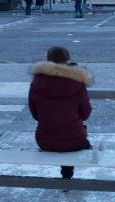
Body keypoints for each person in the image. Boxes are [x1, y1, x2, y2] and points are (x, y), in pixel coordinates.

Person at [28, 46, 92, 180]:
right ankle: (67, 176)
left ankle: (66, 177)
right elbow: (85, 114)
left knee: (63, 138)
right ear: (68, 60)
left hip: (44, 140)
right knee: (75, 141)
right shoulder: (77, 82)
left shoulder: (37, 82)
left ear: (47, 60)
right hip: (75, 139)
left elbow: (35, 114)